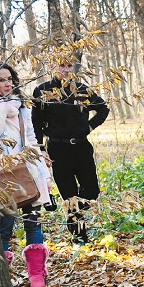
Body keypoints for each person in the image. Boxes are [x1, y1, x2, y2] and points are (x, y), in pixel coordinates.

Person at [0, 60, 52, 287]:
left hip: (27, 169)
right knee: (4, 228)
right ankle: (3, 280)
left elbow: (30, 137)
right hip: (1, 173)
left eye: (9, 78)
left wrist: (42, 167)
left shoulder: (21, 105)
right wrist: (0, 105)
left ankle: (36, 274)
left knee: (34, 222)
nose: (7, 83)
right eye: (1, 79)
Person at [32, 57, 110, 245]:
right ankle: (80, 238)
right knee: (69, 195)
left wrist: (89, 127)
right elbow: (36, 123)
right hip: (58, 149)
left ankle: (75, 213)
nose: (66, 70)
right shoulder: (42, 90)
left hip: (82, 148)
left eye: (69, 66)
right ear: (52, 66)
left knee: (92, 191)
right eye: (62, 65)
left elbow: (103, 109)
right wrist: (41, 149)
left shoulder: (82, 89)